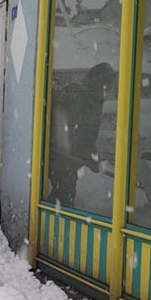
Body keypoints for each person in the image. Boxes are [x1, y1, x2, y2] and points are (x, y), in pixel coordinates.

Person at [47, 62, 115, 206]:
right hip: (63, 157)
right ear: (99, 80)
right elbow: (76, 131)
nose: (109, 88)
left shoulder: (91, 98)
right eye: (107, 83)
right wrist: (84, 155)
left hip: (66, 158)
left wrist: (89, 156)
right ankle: (54, 222)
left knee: (63, 193)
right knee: (64, 194)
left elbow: (87, 134)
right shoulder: (82, 95)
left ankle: (55, 218)